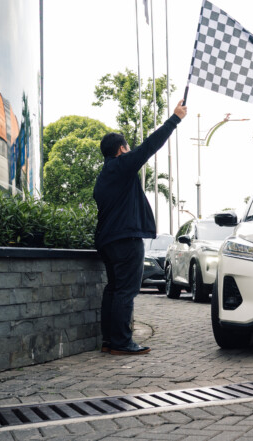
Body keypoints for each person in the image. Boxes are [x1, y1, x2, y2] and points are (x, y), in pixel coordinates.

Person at [94, 100, 187, 355]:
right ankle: (122, 342)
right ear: (121, 149)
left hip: (108, 240)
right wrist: (175, 119)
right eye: (127, 148)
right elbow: (149, 146)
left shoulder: (104, 176)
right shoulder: (121, 166)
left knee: (114, 289)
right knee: (126, 290)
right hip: (125, 240)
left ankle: (110, 341)